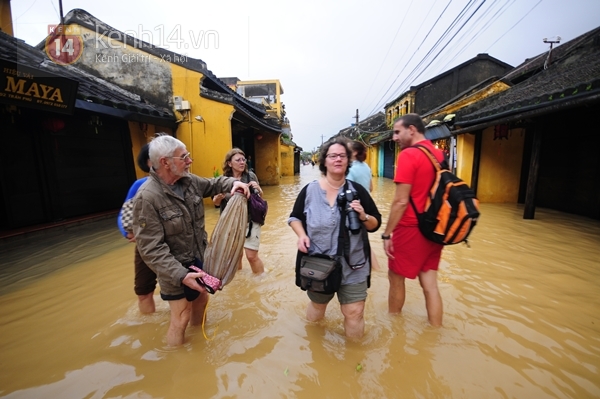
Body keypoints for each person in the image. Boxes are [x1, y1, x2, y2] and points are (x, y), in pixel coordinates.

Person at [132, 134, 250, 346]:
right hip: (174, 269)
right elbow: (151, 249)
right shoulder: (147, 198)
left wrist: (234, 183)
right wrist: (181, 275)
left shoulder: (189, 181)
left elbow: (214, 184)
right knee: (181, 316)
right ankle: (177, 363)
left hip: (198, 257)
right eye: (184, 157)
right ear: (165, 162)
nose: (189, 161)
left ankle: (199, 346)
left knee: (202, 302)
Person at [288, 137, 382, 339]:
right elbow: (295, 217)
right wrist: (302, 235)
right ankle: (314, 347)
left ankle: (354, 358)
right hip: (319, 264)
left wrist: (364, 216)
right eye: (333, 156)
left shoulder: (358, 192)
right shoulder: (309, 191)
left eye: (342, 156)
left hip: (354, 264)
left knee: (354, 312)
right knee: (318, 306)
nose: (338, 159)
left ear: (348, 161)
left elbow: (376, 224)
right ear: (324, 161)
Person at [381, 113, 445, 327]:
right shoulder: (438, 155)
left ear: (412, 129)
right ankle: (436, 330)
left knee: (395, 279)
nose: (394, 138)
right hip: (436, 228)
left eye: (397, 132)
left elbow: (400, 201)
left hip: (410, 228)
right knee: (430, 285)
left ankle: (393, 327)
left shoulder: (409, 155)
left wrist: (387, 233)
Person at [117, 144, 157, 313]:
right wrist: (127, 232)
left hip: (175, 245)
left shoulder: (183, 184)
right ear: (149, 162)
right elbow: (123, 214)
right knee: (144, 292)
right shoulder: (139, 185)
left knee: (183, 291)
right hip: (145, 245)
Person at [212, 148, 265, 274]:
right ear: (229, 163)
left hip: (250, 221)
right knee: (236, 257)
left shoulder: (250, 176)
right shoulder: (223, 180)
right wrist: (218, 198)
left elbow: (259, 198)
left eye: (243, 159)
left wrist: (259, 190)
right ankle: (240, 280)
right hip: (231, 223)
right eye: (238, 160)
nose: (242, 162)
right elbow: (216, 203)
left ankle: (261, 281)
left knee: (251, 256)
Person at [347, 140, 381, 272]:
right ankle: (377, 269)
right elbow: (371, 188)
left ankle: (374, 268)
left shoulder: (350, 169)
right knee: (363, 237)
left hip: (354, 207)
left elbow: (346, 190)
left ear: (354, 152)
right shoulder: (366, 167)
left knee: (359, 239)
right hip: (365, 206)